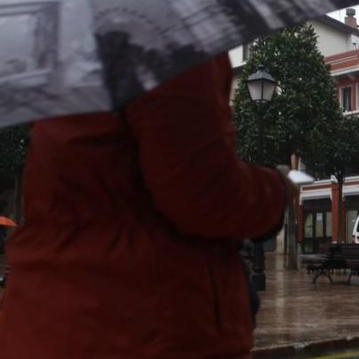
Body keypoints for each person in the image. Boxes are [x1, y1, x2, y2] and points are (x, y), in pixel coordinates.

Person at [0, 55, 293, 358]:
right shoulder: (163, 39)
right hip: (144, 320)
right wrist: (277, 190)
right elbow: (202, 190)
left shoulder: (64, 54)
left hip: (42, 317)